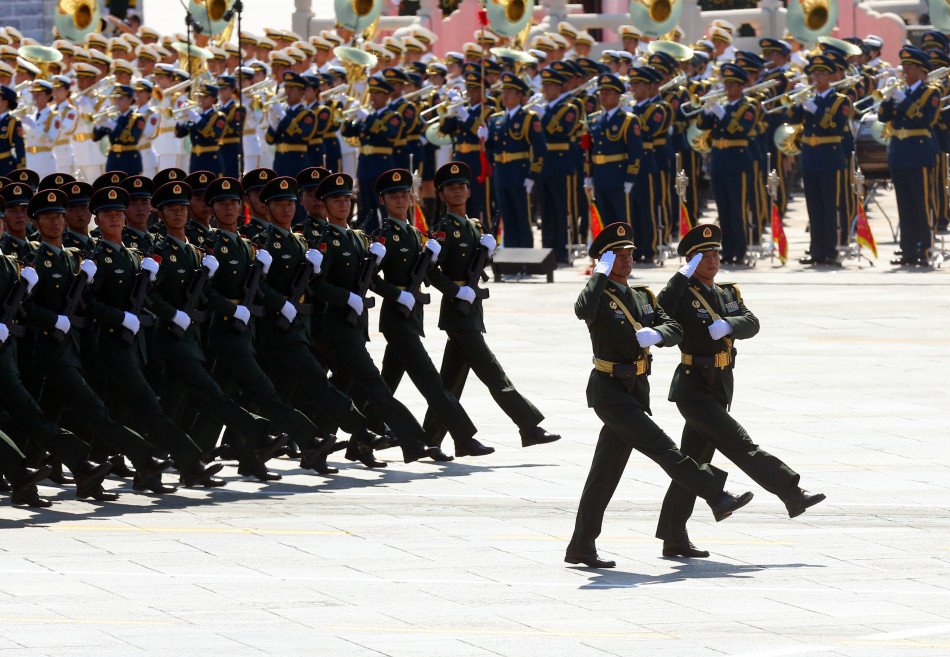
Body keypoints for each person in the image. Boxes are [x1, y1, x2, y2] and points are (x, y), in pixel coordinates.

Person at [565, 222, 754, 568]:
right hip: (609, 391)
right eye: (618, 256)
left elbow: (674, 326)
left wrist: (657, 334)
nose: (626, 261)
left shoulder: (642, 297)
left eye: (629, 255)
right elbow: (582, 309)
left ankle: (581, 545)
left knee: (604, 474)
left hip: (636, 390)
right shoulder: (599, 295)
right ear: (604, 260)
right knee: (664, 448)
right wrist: (597, 274)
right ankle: (717, 494)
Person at [654, 223, 826, 557]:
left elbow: (753, 322)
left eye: (716, 253)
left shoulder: (728, 293)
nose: (714, 259)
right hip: (693, 386)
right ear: (689, 261)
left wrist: (730, 324)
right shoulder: (682, 295)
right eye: (705, 255)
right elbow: (659, 310)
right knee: (739, 443)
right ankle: (791, 492)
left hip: (721, 385)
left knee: (691, 464)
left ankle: (674, 535)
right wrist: (679, 277)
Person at [422, 161, 560, 451]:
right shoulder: (444, 229)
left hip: (471, 312)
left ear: (469, 191)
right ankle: (529, 426)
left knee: (449, 383)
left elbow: (477, 266)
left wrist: (488, 252)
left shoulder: (474, 226)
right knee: (493, 373)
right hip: (458, 314)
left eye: (462, 187)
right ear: (443, 194)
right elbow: (430, 271)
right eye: (451, 188)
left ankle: (429, 440)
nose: (458, 192)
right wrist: (455, 292)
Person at [371, 168, 494, 459]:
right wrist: (395, 294)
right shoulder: (382, 235)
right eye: (393, 196)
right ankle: (462, 437)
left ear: (412, 198)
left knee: (384, 383)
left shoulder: (417, 235)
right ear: (382, 201)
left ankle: (366, 432)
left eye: (404, 195)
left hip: (413, 316)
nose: (400, 201)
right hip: (396, 317)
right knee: (431, 380)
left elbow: (429, 272)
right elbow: (371, 279)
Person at [787, 54, 852, 266]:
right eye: (814, 73)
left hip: (830, 158)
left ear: (831, 76)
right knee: (813, 207)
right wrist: (798, 102)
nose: (816, 77)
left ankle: (832, 251)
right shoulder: (809, 97)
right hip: (810, 156)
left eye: (821, 73)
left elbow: (834, 126)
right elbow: (792, 120)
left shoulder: (840, 100)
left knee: (830, 206)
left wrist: (813, 108)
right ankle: (816, 250)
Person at [879, 46, 940, 266]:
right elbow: (882, 118)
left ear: (921, 69)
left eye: (909, 66)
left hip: (919, 152)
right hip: (899, 152)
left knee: (922, 204)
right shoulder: (899, 90)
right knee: (904, 204)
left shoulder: (930, 92)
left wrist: (903, 99)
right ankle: (907, 250)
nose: (904, 70)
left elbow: (924, 119)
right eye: (904, 65)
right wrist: (887, 97)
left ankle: (924, 249)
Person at [481, 72, 546, 248]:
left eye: (510, 91)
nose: (506, 94)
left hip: (520, 174)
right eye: (504, 91)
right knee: (507, 217)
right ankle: (510, 254)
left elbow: (540, 150)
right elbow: (491, 150)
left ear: (520, 95)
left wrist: (532, 176)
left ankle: (525, 257)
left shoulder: (528, 118)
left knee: (522, 217)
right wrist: (485, 140)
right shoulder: (496, 119)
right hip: (501, 174)